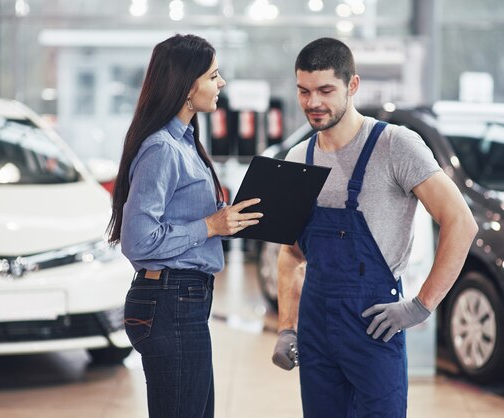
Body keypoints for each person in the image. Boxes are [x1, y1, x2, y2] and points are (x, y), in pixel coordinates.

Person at [271, 37, 478, 417]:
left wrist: (421, 306)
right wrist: (287, 326)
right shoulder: (300, 157)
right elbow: (291, 253)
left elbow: (461, 223)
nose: (312, 102)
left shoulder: (396, 146)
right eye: (303, 91)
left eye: (325, 90)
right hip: (316, 328)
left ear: (353, 85)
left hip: (374, 325)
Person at [107, 34, 262, 418]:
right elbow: (138, 240)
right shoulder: (162, 148)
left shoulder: (186, 142)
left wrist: (225, 221)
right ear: (185, 85)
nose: (221, 83)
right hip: (170, 299)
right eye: (212, 76)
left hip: (183, 299)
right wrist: (209, 226)